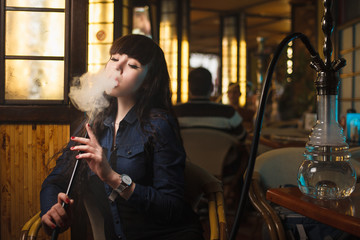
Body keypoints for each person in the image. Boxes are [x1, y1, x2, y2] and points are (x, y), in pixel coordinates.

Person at [40, 34, 204, 240]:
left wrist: (113, 178)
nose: (118, 68)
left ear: (147, 82)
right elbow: (56, 180)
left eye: (133, 65)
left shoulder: (159, 125)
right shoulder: (93, 123)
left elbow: (172, 208)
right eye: (115, 59)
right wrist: (51, 208)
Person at [174, 67, 247, 141]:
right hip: (220, 152)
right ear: (212, 88)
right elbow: (242, 137)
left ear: (188, 88)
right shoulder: (228, 113)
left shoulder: (175, 112)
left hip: (185, 152)